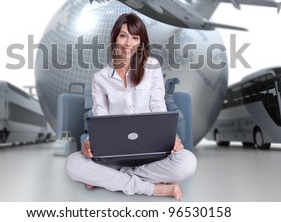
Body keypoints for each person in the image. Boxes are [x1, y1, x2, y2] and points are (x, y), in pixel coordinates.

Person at [65, 13, 196, 201]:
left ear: (141, 42)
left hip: (152, 153)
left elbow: (158, 106)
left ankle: (111, 179)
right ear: (115, 38)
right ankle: (155, 188)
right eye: (123, 35)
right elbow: (101, 120)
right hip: (114, 156)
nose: (128, 43)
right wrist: (90, 144)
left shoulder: (152, 67)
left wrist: (171, 138)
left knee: (188, 162)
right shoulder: (100, 78)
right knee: (73, 163)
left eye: (135, 38)